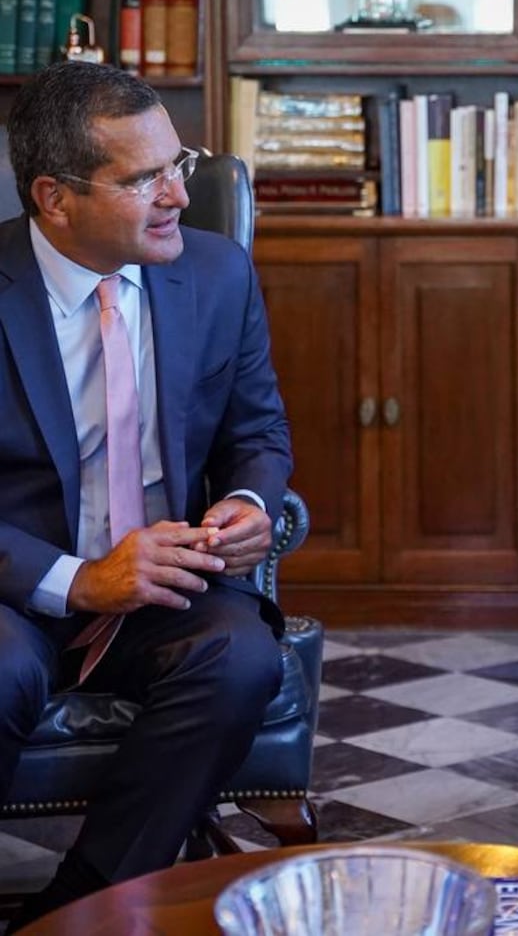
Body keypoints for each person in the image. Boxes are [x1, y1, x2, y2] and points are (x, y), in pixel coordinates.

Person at [0, 61, 292, 929]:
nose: (177, 194)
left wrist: (249, 504)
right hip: (20, 584)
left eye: (181, 163)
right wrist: (79, 582)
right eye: (142, 179)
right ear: (54, 197)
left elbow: (258, 434)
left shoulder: (217, 272)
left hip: (168, 582)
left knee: (240, 656)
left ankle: (77, 910)